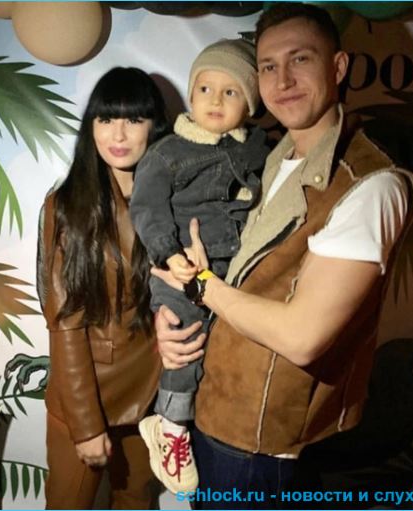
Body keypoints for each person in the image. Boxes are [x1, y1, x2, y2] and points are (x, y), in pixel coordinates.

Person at [153, 3, 413, 509]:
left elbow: (303, 337)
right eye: (269, 66)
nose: (283, 80)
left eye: (300, 59)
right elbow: (246, 283)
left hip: (264, 447)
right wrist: (177, 326)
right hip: (216, 412)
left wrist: (200, 286)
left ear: (337, 67)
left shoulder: (370, 184)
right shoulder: (273, 157)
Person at [130, 38, 269, 494]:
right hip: (180, 270)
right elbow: (147, 208)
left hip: (234, 271)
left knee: (224, 349)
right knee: (184, 332)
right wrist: (168, 253)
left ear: (250, 103)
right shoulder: (169, 152)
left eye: (231, 92)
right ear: (191, 94)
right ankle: (170, 424)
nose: (215, 101)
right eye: (205, 89)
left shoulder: (259, 150)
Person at [37, 67, 170, 510]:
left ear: (154, 126)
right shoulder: (67, 206)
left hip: (153, 395)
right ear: (90, 126)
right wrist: (86, 425)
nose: (118, 134)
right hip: (89, 392)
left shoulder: (174, 198)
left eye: (134, 119)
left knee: (136, 501)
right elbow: (65, 323)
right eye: (106, 118)